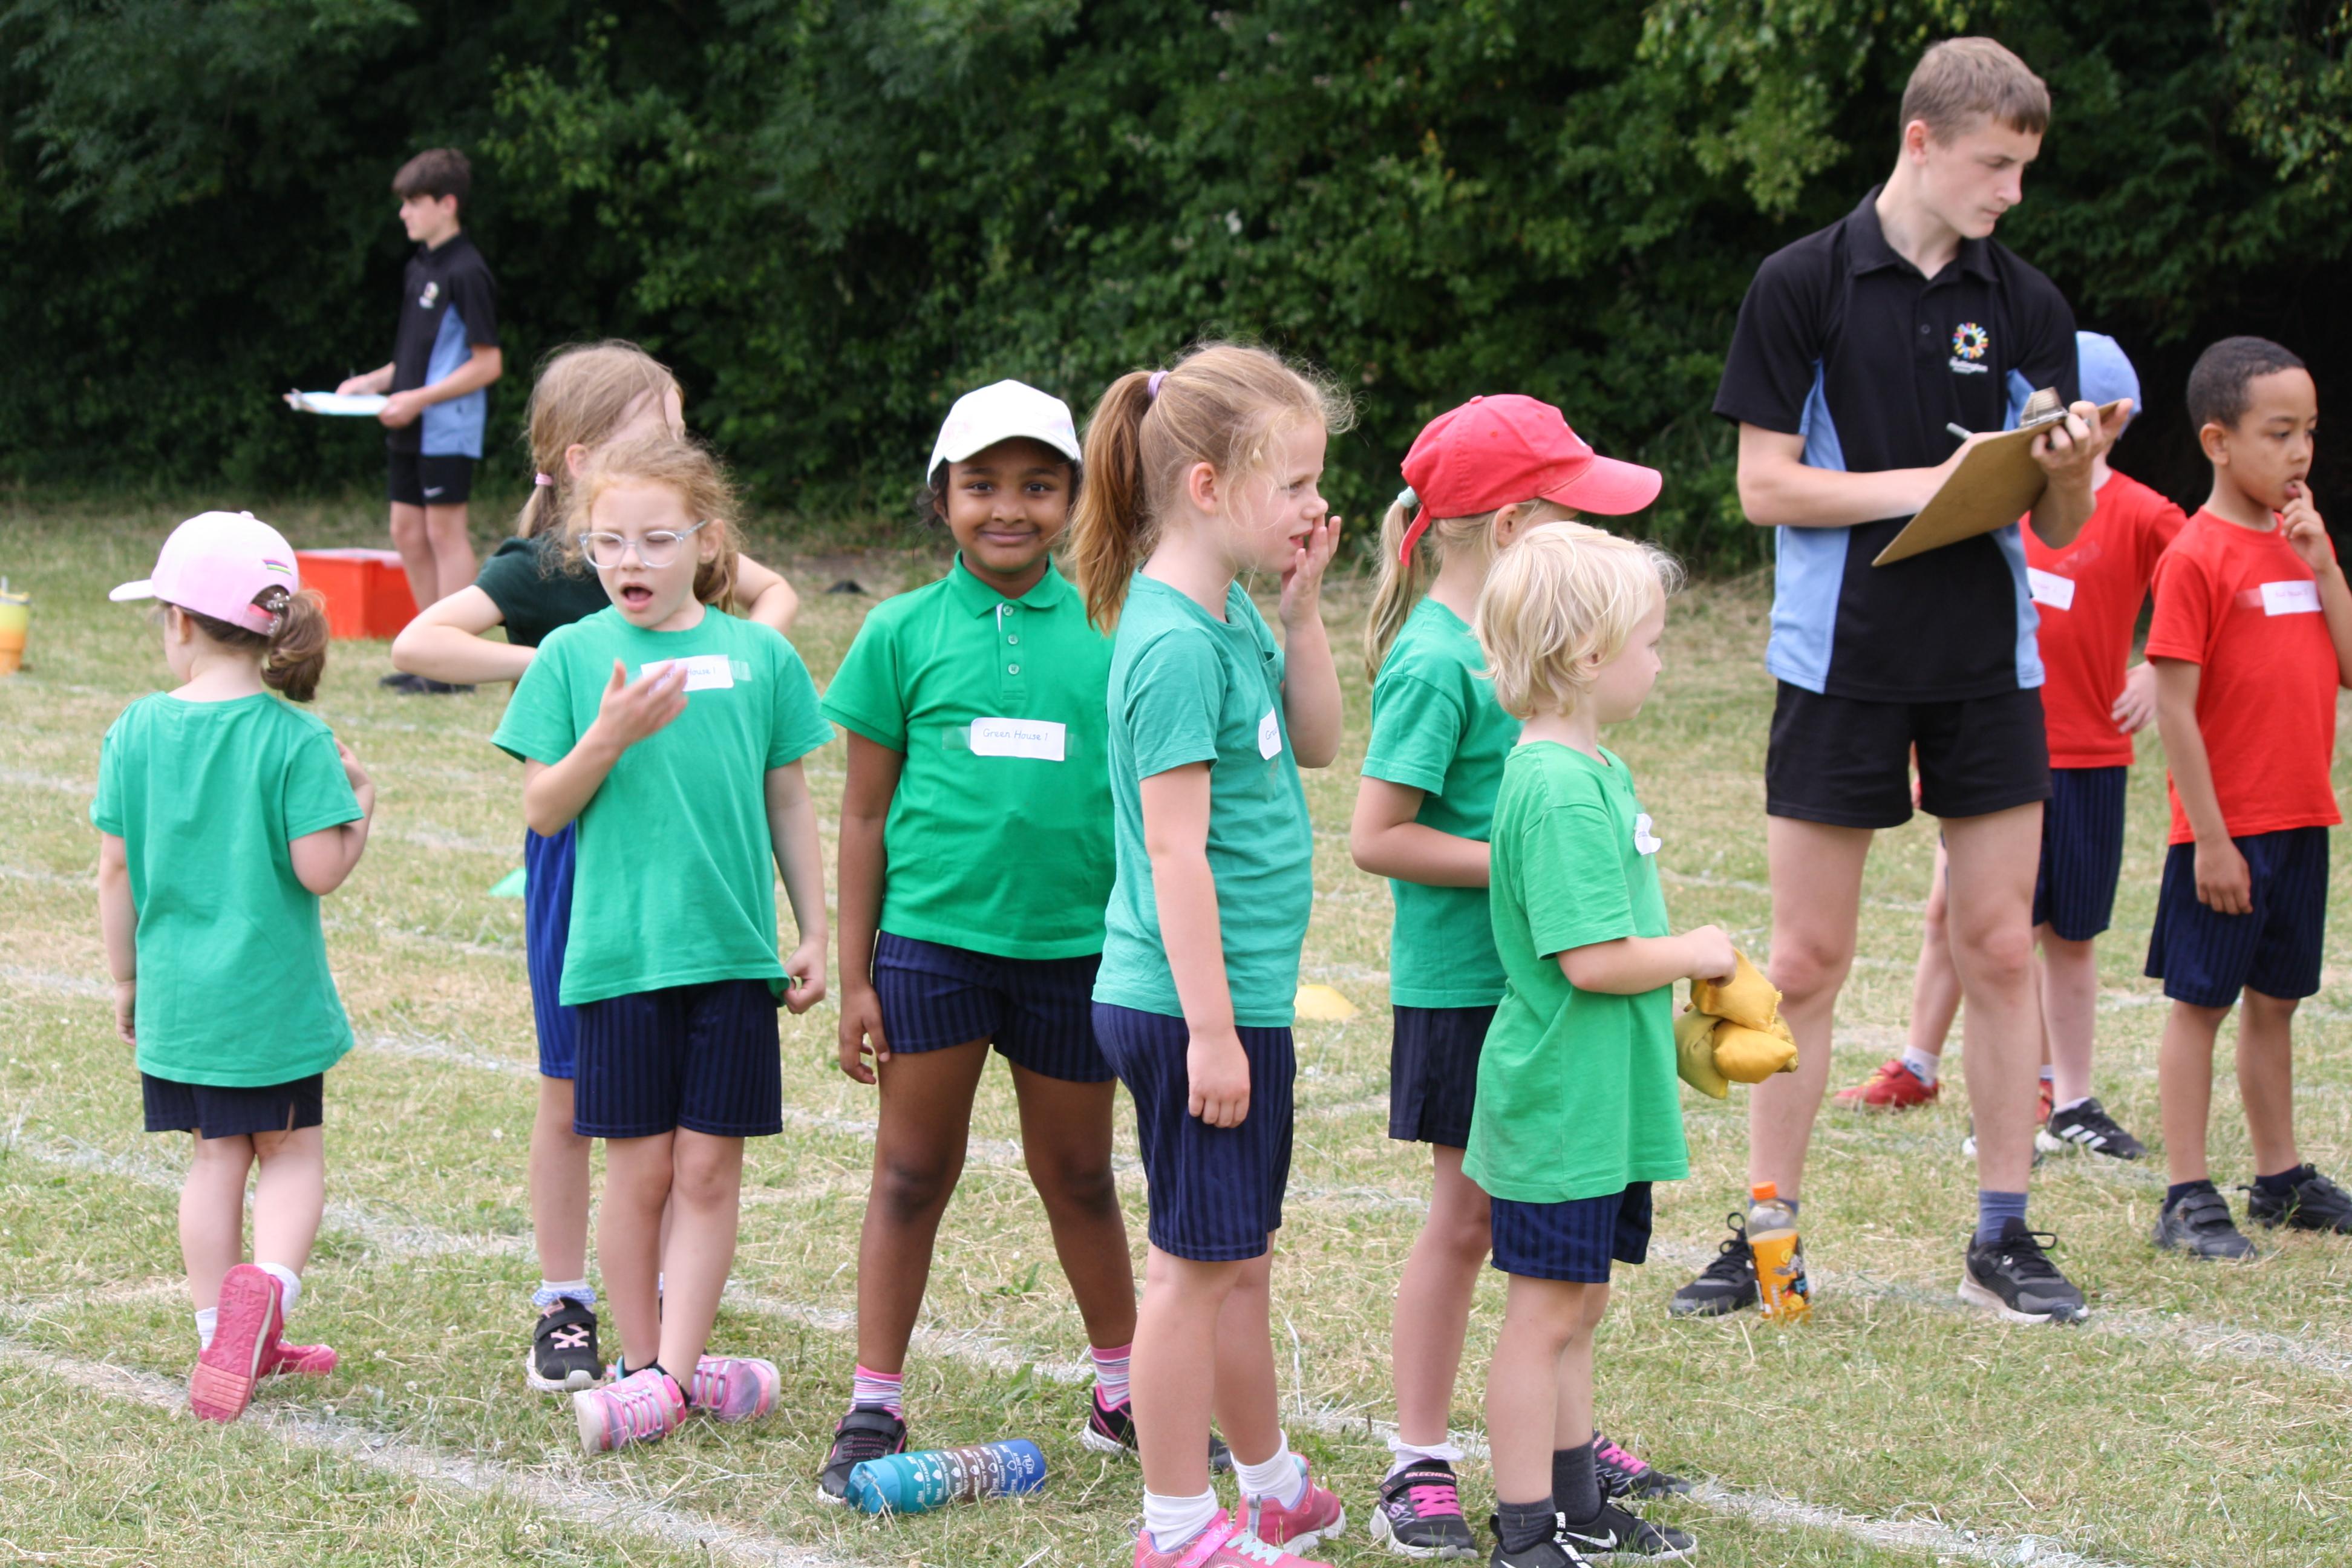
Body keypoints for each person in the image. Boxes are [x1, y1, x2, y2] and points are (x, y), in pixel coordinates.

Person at [1694, 36, 2126, 1325]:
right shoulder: (1801, 281)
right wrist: (1928, 487)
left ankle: (2003, 1233)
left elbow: (2056, 528)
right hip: (1838, 665)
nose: (2011, 191)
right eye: (1994, 164)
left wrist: (2066, 471)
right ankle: (1765, 1233)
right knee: (1806, 960)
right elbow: (1762, 486)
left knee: (1997, 945)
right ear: (1920, 142)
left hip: (1991, 667)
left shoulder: (2028, 301)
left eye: (2023, 167)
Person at [390, 341, 800, 1395]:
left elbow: (776, 601)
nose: (679, 446)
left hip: (688, 866)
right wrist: (562, 674)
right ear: (578, 466)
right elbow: (418, 643)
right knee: (575, 1087)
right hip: (584, 855)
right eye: (658, 430)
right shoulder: (545, 571)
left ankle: (659, 1323)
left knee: (677, 1130)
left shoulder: (677, 541)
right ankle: (566, 1299)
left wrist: (726, 661)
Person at [1351, 397, 1686, 1560]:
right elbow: (1376, 835)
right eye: (1574, 515)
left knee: (1545, 1236)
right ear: (1508, 529)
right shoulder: (1435, 662)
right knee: (1462, 1222)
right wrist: (1536, 874)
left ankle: (1557, 1451)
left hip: (1536, 985)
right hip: (1464, 985)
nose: (1595, 534)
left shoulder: (1534, 672)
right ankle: (1417, 1456)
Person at [815, 380, 1161, 1498]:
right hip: (933, 948)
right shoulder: (898, 632)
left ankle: (1125, 1393)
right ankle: (874, 1402)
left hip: (1076, 952)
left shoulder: (1116, 628)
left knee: (1081, 1175)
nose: (1008, 508)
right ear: (942, 497)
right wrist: (855, 974)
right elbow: (862, 815)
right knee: (911, 1172)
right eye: (981, 486)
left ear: (1072, 498)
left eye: (1037, 486)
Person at [491, 437, 832, 1452]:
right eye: (608, 542)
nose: (628, 560)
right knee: (638, 1173)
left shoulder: (761, 656)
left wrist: (815, 928)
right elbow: (544, 809)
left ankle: (672, 1374)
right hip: (618, 961)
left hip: (732, 959)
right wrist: (606, 735)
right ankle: (646, 1366)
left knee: (710, 1173)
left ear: (707, 541)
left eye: (653, 540)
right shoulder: (569, 658)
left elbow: (788, 798)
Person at [1071, 344, 1349, 1568]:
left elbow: (1317, 743)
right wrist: (1216, 1032)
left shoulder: (1228, 609)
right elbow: (1174, 853)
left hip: (1233, 1003)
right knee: (1192, 1272)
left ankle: (1269, 1482)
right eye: (1292, 483)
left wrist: (1302, 611)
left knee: (1238, 1259)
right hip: (1196, 1009)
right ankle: (1178, 1524)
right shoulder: (1174, 644)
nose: (1312, 506)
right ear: (1204, 486)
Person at [1837, 333, 2183, 1165]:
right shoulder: (2001, 501)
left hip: (2089, 757)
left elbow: (2199, 590)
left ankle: (2067, 1096)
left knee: (2067, 934)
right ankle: (1929, 1068)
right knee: (1972, 922)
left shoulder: (2145, 512)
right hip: (1992, 749)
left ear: (2113, 419)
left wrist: (2156, 669)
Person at [1469, 522, 1714, 1567]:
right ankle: (1526, 1531)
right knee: (1543, 1317)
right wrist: (1695, 951)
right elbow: (1590, 959)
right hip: (1562, 1105)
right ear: (1586, 655)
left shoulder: (1592, 768)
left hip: (1601, 1099)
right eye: (1650, 642)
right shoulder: (1560, 787)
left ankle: (1577, 1507)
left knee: (1580, 1305)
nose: (1660, 661)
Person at [94, 511, 374, 1423]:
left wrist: (126, 980)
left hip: (181, 999)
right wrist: (362, 807)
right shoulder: (297, 740)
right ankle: (269, 1297)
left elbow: (114, 870)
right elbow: (319, 869)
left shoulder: (134, 729)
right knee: (290, 1154)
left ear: (178, 620)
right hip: (270, 1000)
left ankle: (224, 1331)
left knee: (214, 1159)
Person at [2144, 336, 2352, 1258]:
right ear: (2218, 442)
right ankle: (2186, 1195)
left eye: (2310, 431)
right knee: (2202, 1006)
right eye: (2280, 433)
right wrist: (2212, 839)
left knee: (2277, 1002)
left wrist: (2325, 566)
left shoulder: (2303, 546)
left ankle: (2280, 1180)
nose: (2301, 452)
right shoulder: (2195, 557)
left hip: (2303, 818)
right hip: (2227, 833)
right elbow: (2175, 711)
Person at [335, 148, 503, 691]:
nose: (404, 213)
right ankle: (428, 656)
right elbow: (414, 359)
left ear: (447, 204)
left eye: (414, 202)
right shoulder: (419, 267)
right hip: (410, 421)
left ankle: (457, 663)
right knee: (406, 531)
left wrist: (419, 399)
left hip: (446, 425)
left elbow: (487, 364)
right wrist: (373, 383)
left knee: (443, 532)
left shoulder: (467, 271)